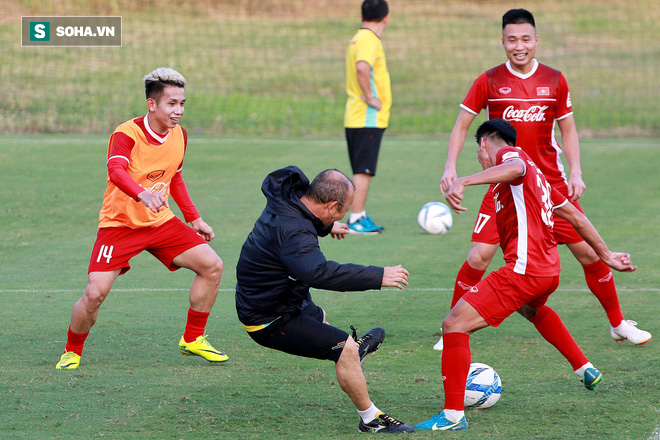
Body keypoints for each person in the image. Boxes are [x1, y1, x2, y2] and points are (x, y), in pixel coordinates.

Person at [434, 8, 650, 351]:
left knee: (590, 254)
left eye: (525, 39)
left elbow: (568, 128)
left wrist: (576, 171)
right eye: (511, 40)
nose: (519, 46)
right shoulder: (488, 80)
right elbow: (462, 124)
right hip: (504, 187)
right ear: (502, 41)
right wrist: (450, 167)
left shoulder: (555, 79)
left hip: (550, 185)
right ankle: (452, 330)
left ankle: (618, 323)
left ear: (536, 40)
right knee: (478, 257)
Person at [415, 119, 637, 431]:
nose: (479, 158)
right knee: (531, 308)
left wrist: (464, 180)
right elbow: (575, 215)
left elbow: (515, 165)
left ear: (483, 145)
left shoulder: (512, 158)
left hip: (524, 270)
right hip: (548, 271)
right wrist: (607, 254)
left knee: (453, 325)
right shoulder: (540, 179)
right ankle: (583, 367)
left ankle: (452, 417)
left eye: (478, 153)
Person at [56, 68, 227, 370]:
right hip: (119, 226)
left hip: (160, 222)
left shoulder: (180, 136)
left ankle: (192, 339)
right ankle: (72, 350)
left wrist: (194, 218)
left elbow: (175, 177)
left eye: (182, 103)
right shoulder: (126, 134)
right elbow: (116, 171)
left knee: (212, 266)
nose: (179, 111)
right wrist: (142, 194)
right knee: (95, 294)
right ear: (152, 104)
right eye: (172, 104)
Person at [235, 166, 414, 434]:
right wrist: (379, 275)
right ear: (331, 206)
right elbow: (319, 273)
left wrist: (327, 227)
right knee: (343, 349)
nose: (346, 213)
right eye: (345, 209)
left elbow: (300, 225)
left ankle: (353, 353)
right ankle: (371, 420)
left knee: (321, 319)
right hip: (268, 318)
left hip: (282, 298)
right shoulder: (294, 232)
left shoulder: (286, 200)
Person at [344, 0, 391, 235]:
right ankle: (356, 219)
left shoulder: (356, 38)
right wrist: (371, 98)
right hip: (367, 117)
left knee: (360, 169)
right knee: (364, 170)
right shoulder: (369, 40)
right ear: (386, 17)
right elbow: (363, 68)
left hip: (355, 116)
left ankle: (359, 215)